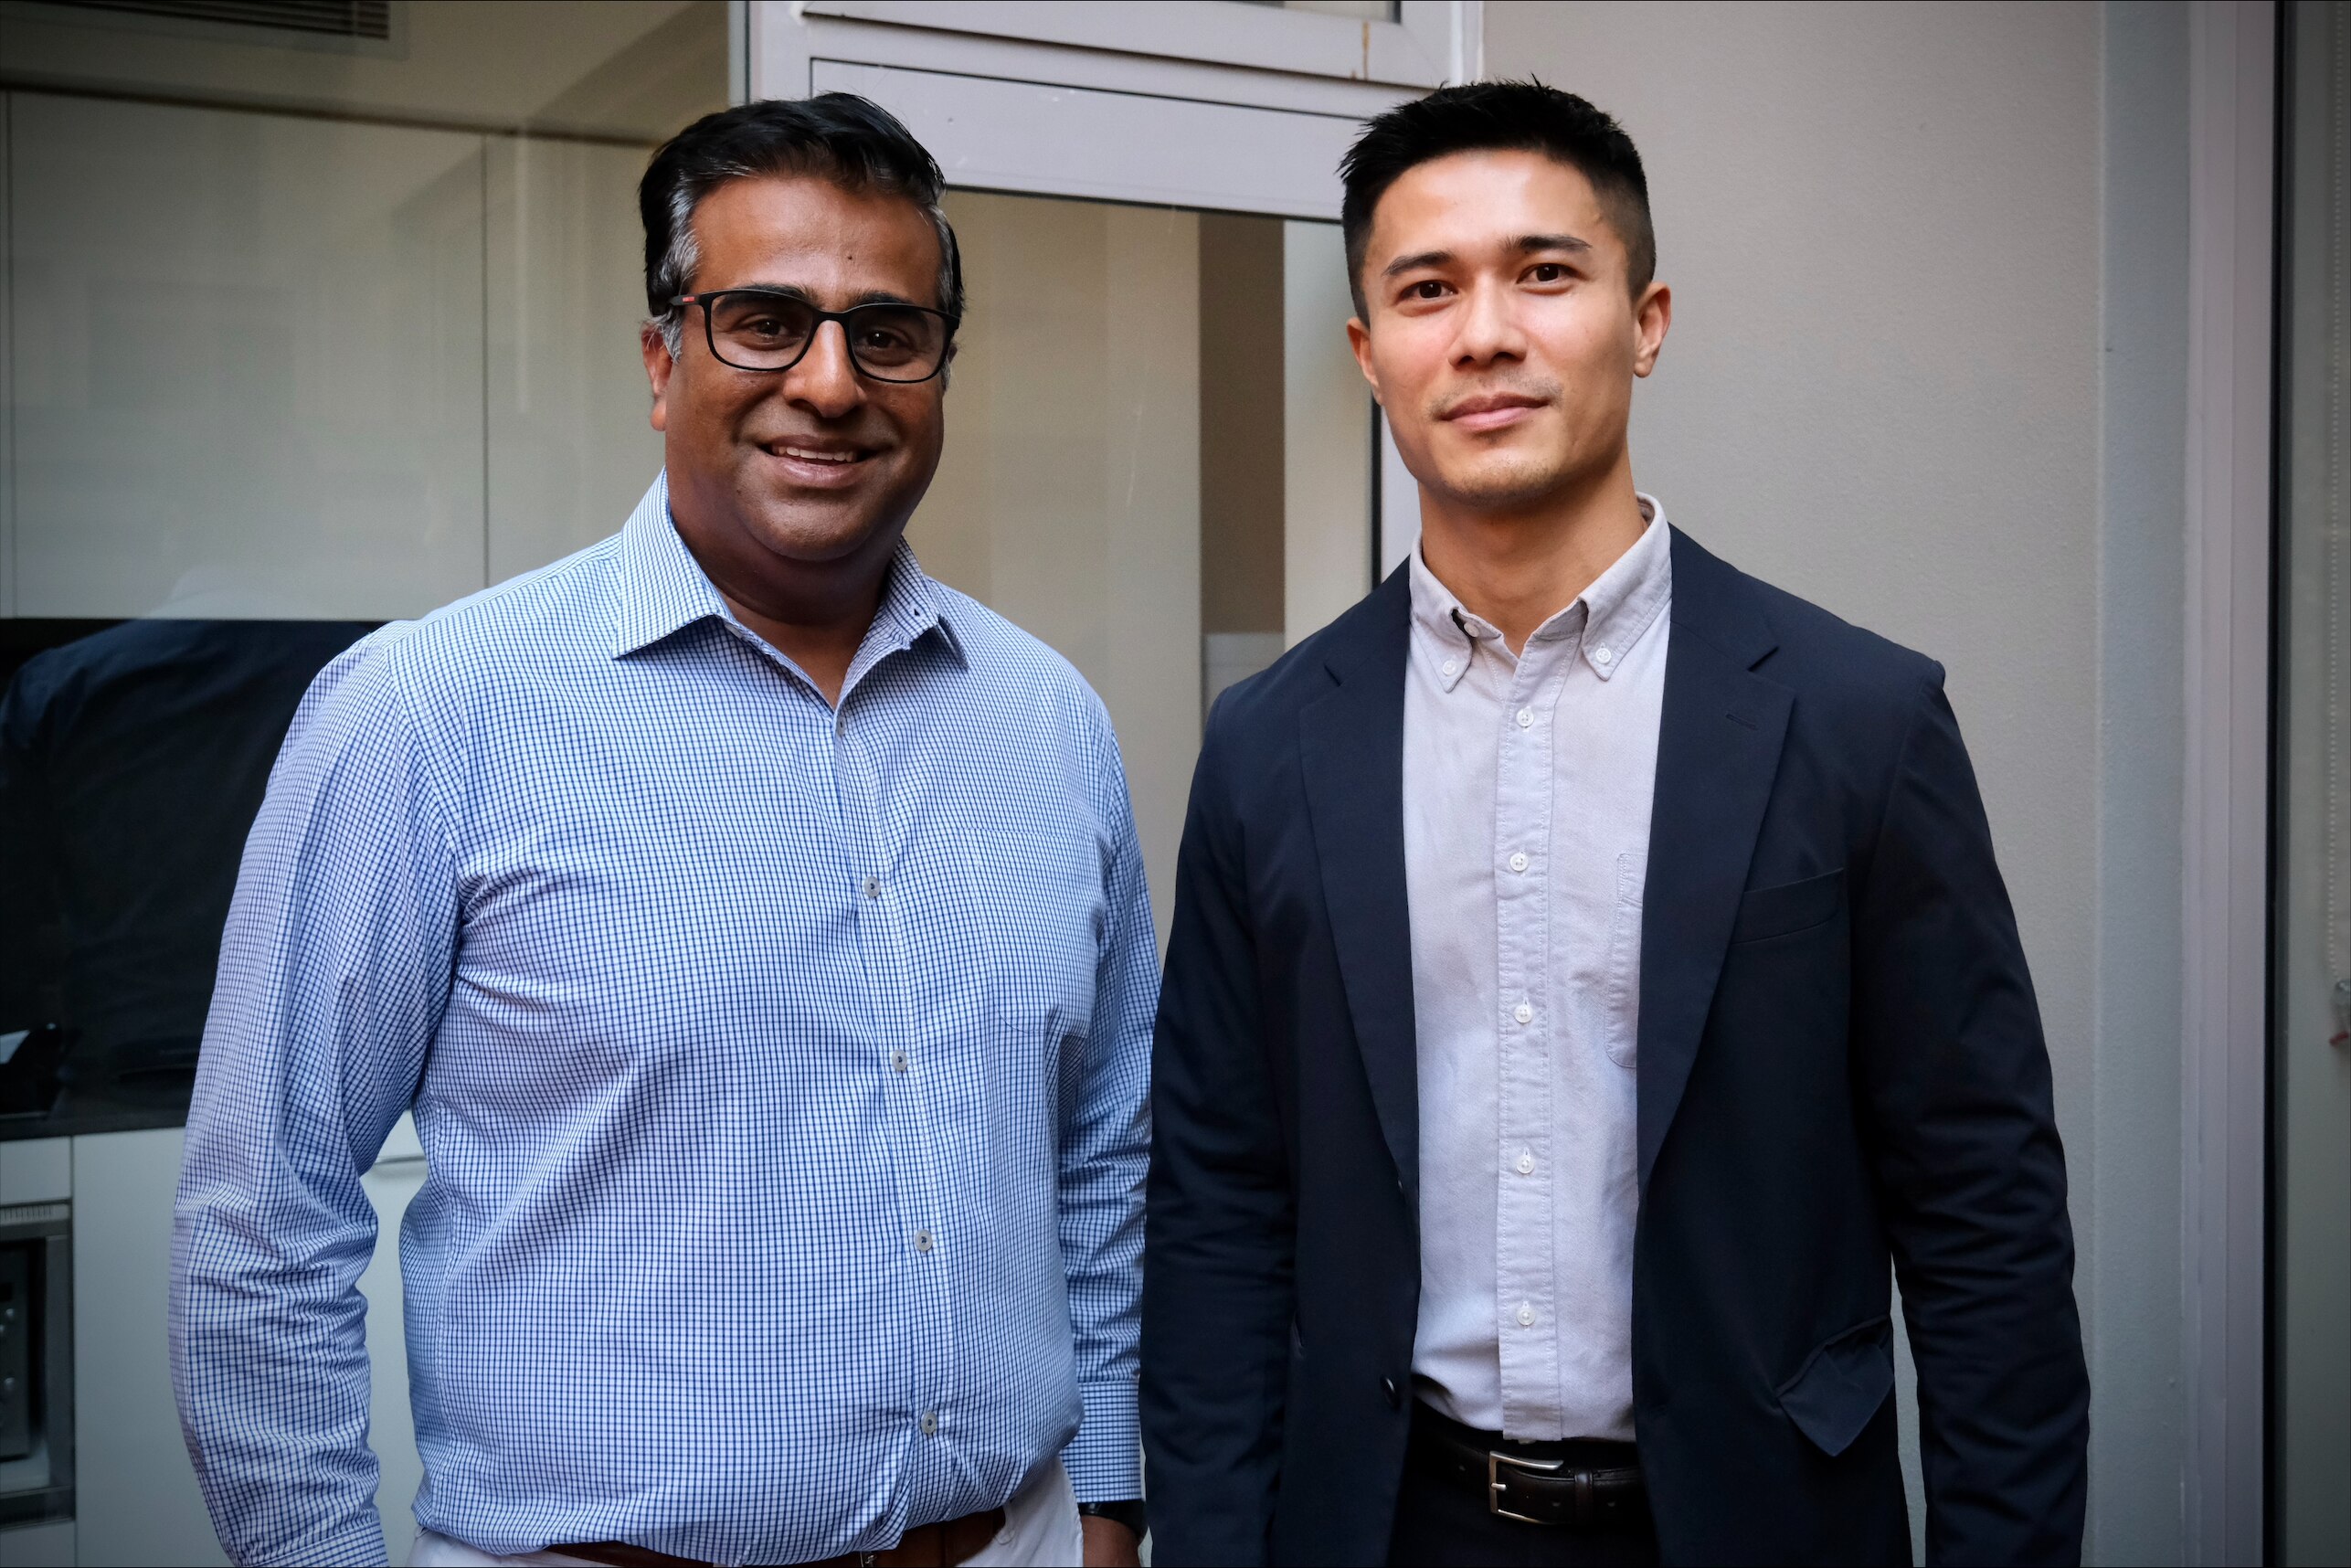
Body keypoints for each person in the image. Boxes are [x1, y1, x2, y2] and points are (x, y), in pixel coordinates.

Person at [173, 94, 1151, 1568]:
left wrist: (1111, 1504)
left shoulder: (1050, 722)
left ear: (940, 369)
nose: (830, 383)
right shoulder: (433, 711)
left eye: (888, 334)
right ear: (659, 359)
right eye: (764, 323)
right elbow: (264, 1216)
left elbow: (1106, 1153)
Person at [1141, 81, 2089, 1566]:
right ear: (1370, 355)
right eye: (1426, 290)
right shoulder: (1270, 744)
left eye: (1543, 272)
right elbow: (1218, 1203)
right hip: (1387, 1526)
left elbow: (1983, 1213)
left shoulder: (1857, 718)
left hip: (1759, 1523)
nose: (1484, 333)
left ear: (1644, 321)